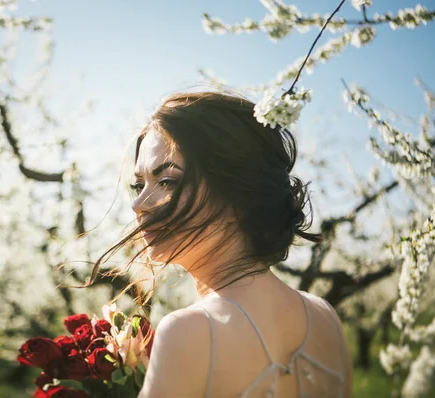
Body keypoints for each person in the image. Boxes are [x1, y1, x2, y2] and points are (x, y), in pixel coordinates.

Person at [94, 91, 352, 397]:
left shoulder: (187, 332)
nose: (138, 204)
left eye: (167, 182)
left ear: (237, 196)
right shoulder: (326, 318)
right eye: (139, 185)